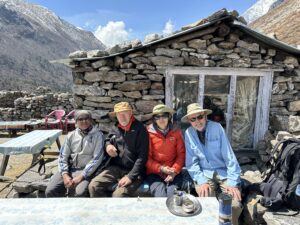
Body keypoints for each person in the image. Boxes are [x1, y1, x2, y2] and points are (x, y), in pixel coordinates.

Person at [182, 103, 243, 225]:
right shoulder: (188, 133)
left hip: (223, 172)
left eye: (199, 117)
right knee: (206, 200)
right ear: (189, 121)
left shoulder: (217, 128)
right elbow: (191, 162)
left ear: (205, 116)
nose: (197, 122)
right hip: (205, 174)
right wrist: (200, 180)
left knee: (233, 204)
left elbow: (229, 156)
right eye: (193, 119)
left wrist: (232, 182)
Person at [88, 102, 149, 197]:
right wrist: (108, 146)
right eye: (119, 114)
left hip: (134, 171)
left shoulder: (140, 129)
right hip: (115, 168)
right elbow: (108, 139)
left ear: (130, 113)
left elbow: (143, 156)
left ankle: (118, 211)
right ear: (116, 115)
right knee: (93, 186)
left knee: (118, 195)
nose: (122, 117)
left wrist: (130, 177)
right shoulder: (116, 127)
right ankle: (102, 210)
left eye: (124, 113)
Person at [45, 110, 105, 197]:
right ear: (76, 122)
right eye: (80, 119)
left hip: (86, 171)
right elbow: (63, 156)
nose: (84, 121)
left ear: (91, 120)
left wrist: (82, 176)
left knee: (79, 193)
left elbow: (97, 159)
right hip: (69, 168)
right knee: (50, 191)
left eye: (86, 118)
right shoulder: (71, 135)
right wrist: (65, 174)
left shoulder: (98, 135)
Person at [145, 104, 185, 197]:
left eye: (164, 116)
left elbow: (181, 154)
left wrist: (174, 171)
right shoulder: (148, 133)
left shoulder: (176, 132)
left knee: (173, 195)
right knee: (160, 195)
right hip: (155, 173)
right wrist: (161, 169)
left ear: (169, 117)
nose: (161, 119)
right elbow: (146, 157)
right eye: (157, 117)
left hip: (173, 171)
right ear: (154, 119)